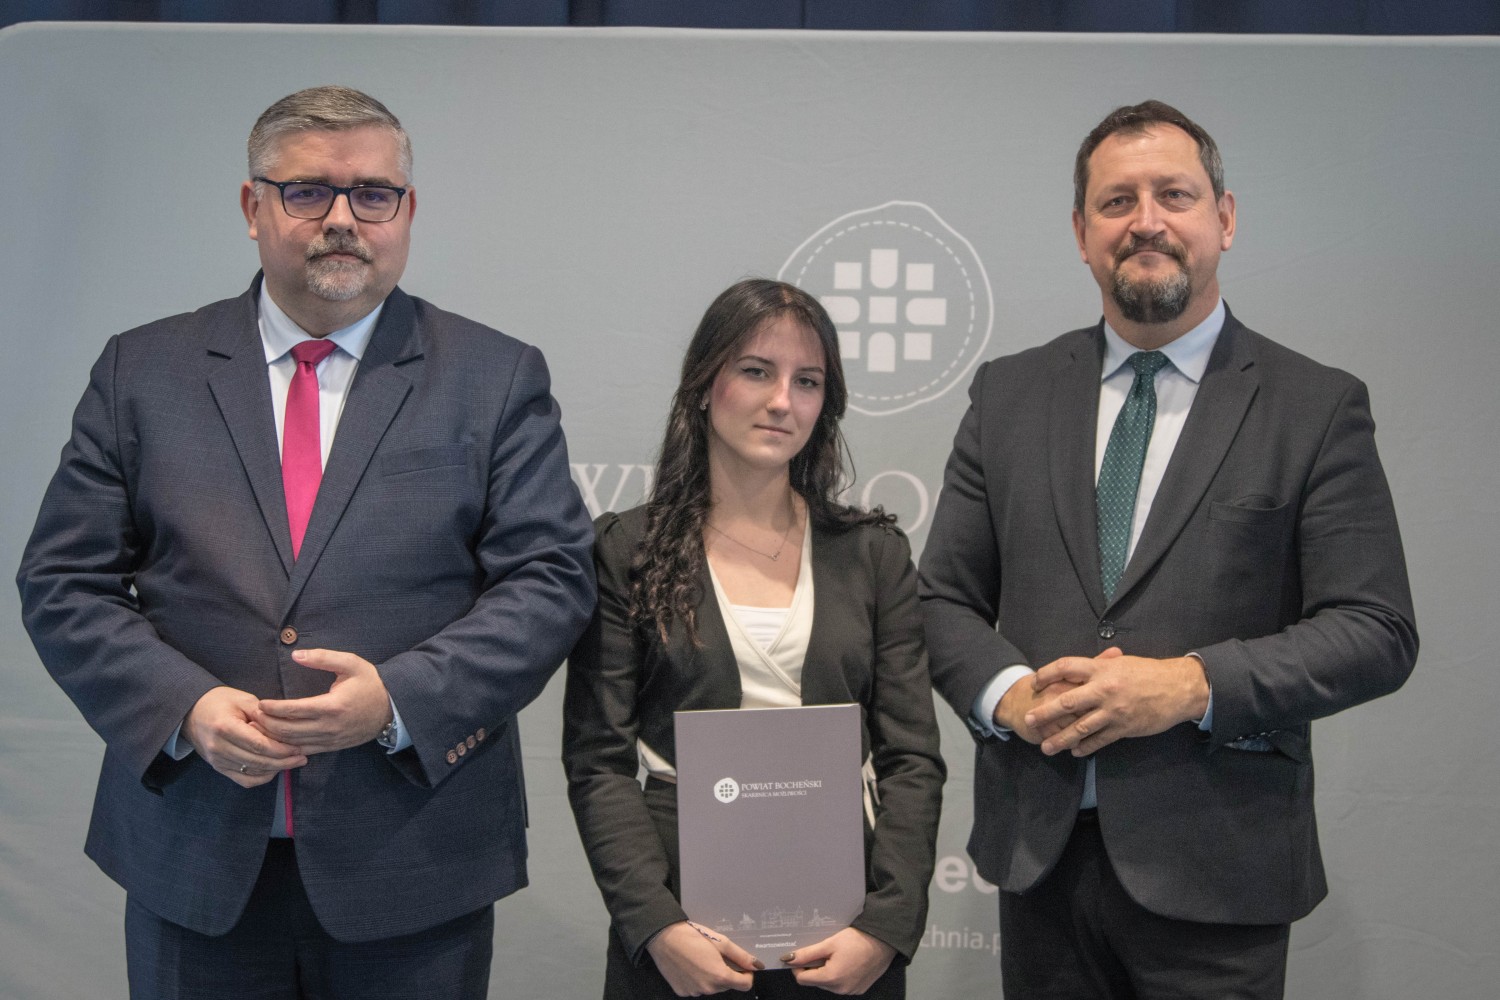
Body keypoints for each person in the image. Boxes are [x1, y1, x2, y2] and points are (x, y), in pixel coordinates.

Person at [15, 85, 595, 998]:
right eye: (308, 192)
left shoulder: (493, 376)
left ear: (407, 211)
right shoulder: (143, 370)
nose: (343, 219)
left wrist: (399, 700)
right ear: (253, 207)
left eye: (373, 194)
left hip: (413, 865)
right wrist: (184, 706)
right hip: (195, 859)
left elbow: (550, 580)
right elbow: (62, 581)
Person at [918, 100, 1418, 999]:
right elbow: (940, 601)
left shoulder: (1314, 406)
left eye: (1173, 195)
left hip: (1220, 871)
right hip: (1039, 860)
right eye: (1117, 201)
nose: (1145, 220)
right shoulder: (1008, 395)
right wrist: (1014, 697)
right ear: (1081, 233)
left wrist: (1191, 685)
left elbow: (1375, 628)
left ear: (1224, 218)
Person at [563, 278, 944, 999]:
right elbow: (597, 761)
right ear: (704, 386)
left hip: (844, 934)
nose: (782, 401)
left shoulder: (873, 554)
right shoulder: (628, 549)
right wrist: (656, 927)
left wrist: (886, 929)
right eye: (756, 371)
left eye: (807, 381)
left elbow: (912, 761)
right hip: (683, 937)